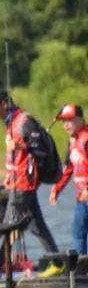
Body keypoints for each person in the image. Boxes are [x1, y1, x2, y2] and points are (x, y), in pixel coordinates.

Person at [0, 87, 61, 275]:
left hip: (24, 185)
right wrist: (7, 179)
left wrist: (21, 146)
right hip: (16, 183)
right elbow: (14, 160)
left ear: (4, 104)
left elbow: (40, 151)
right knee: (36, 226)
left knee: (9, 226)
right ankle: (58, 263)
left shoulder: (25, 122)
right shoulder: (10, 122)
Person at [50, 103, 88, 256]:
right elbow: (68, 169)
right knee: (78, 233)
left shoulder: (86, 139)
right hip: (82, 200)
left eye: (69, 120)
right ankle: (82, 271)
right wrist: (57, 188)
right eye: (63, 121)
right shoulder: (72, 142)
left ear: (80, 119)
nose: (66, 125)